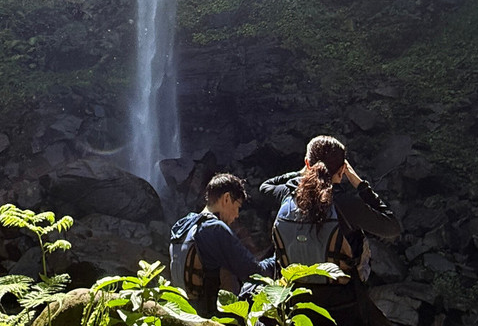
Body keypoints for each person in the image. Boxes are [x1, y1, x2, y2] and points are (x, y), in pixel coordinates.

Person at [261, 136, 401, 326]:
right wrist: (359, 183)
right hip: (343, 306)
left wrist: (304, 172)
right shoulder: (346, 205)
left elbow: (264, 187)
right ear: (342, 169)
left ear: (307, 164)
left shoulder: (287, 194)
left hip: (295, 301)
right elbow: (392, 227)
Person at [170, 173, 278, 317]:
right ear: (226, 198)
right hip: (211, 316)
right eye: (237, 206)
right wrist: (279, 258)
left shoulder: (183, 226)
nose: (237, 215)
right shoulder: (214, 229)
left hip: (184, 313)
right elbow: (254, 273)